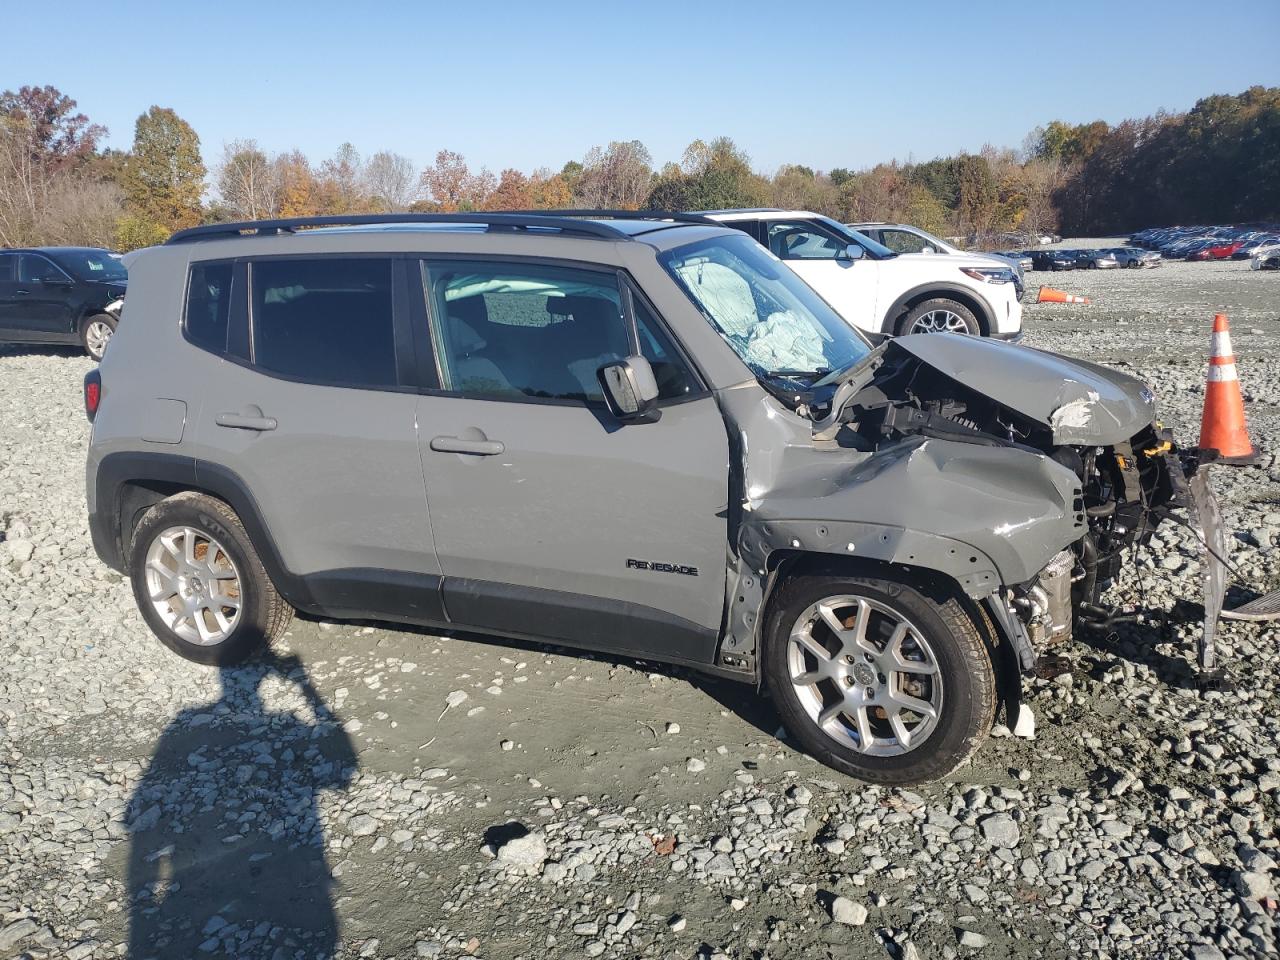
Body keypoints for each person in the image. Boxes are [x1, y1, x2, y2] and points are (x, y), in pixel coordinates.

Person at [125, 652, 356, 959]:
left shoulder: (183, 723)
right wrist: (307, 689)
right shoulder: (281, 723)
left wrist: (141, 910)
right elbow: (346, 769)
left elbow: (139, 835)